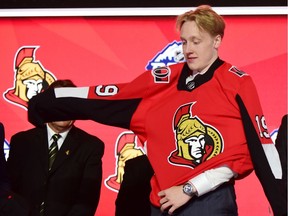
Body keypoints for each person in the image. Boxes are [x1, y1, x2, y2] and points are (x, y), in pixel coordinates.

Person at [27, 5, 284, 216]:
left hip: (210, 201)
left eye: (196, 41)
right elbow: (109, 96)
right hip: (161, 201)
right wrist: (49, 101)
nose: (188, 50)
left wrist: (189, 189)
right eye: (184, 42)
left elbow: (259, 149)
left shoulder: (236, 82)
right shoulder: (163, 80)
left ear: (216, 41)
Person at [7, 79, 105, 216]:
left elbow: (86, 202)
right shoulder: (22, 142)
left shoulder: (91, 146)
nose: (63, 110)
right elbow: (10, 190)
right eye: (58, 104)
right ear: (47, 106)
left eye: (69, 104)